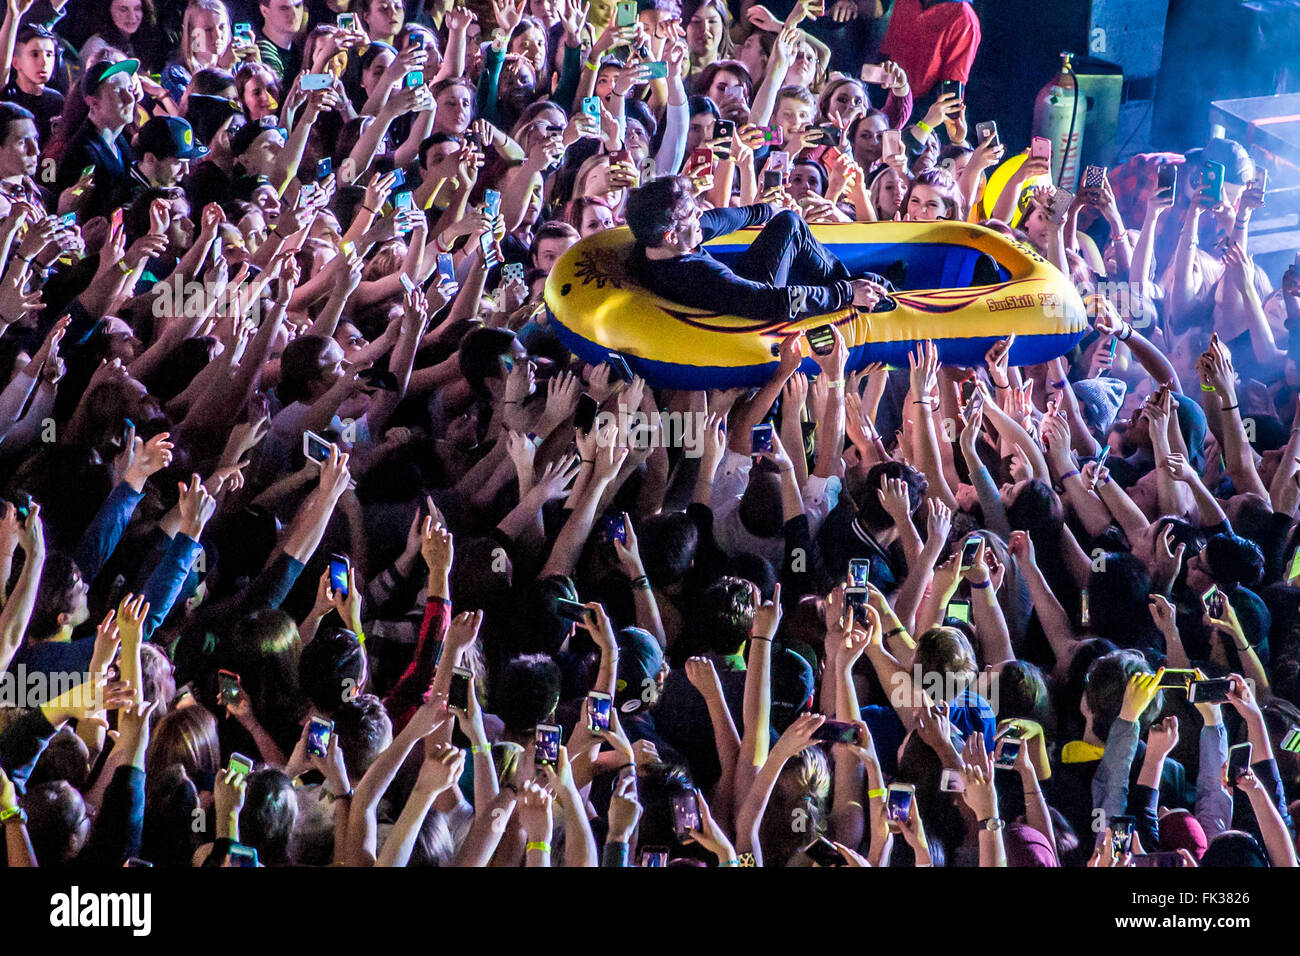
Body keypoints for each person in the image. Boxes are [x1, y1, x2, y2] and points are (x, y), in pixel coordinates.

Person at [624, 174, 885, 320]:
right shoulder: (697, 275)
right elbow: (773, 302)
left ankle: (862, 282)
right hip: (756, 315)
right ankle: (864, 289)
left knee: (786, 220)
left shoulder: (651, 244)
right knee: (792, 224)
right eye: (692, 215)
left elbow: (716, 221)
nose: (699, 217)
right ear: (670, 236)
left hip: (744, 293)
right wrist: (844, 294)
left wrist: (767, 210)